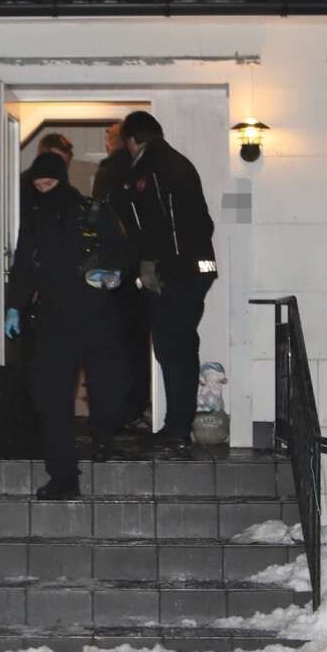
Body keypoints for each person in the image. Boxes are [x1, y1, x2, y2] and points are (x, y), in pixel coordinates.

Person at [4, 150, 135, 498]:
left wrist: (112, 274)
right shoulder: (35, 219)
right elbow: (24, 266)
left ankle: (103, 437)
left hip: (97, 316)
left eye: (50, 183)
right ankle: (63, 476)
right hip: (55, 320)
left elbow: (123, 253)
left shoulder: (93, 212)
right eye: (38, 185)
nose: (44, 190)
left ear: (62, 181)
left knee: (107, 389)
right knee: (51, 398)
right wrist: (14, 305)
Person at [120, 110, 217, 449]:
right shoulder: (181, 164)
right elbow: (203, 223)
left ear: (133, 140)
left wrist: (149, 264)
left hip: (174, 274)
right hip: (197, 270)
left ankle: (177, 429)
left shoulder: (149, 169)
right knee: (181, 346)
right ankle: (178, 425)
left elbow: (151, 223)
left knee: (172, 349)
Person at [92, 120, 151, 429]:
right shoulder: (142, 171)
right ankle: (136, 407)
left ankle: (115, 411)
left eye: (108, 138)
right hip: (140, 271)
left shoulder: (108, 173)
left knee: (113, 344)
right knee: (138, 343)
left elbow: (99, 221)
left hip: (115, 272)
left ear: (114, 141)